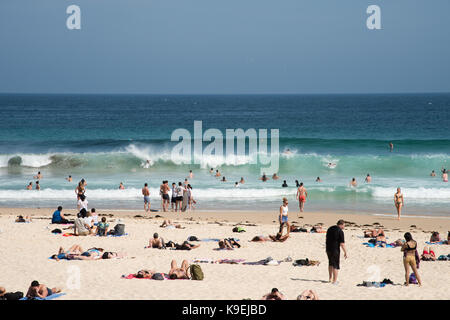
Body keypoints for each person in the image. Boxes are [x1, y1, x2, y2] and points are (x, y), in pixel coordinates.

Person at [326, 220, 348, 284]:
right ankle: (335, 281)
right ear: (341, 225)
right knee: (335, 265)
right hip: (335, 249)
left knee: (330, 263)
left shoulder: (330, 228)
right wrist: (345, 252)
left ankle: (330, 278)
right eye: (344, 225)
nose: (344, 227)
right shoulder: (340, 231)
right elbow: (342, 243)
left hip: (328, 248)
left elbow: (327, 238)